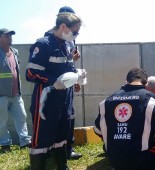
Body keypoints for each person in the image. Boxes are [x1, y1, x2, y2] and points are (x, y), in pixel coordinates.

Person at [94, 68, 155, 170]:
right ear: (145, 84)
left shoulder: (106, 101)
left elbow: (97, 130)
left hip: (115, 159)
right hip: (142, 159)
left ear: (126, 81)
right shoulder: (152, 99)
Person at [26, 12, 82, 169]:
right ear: (63, 27)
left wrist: (75, 78)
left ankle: (61, 166)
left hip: (64, 99)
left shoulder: (68, 44)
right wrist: (52, 81)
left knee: (62, 134)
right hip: (46, 99)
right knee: (42, 137)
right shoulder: (43, 44)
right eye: (75, 31)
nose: (76, 35)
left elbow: (67, 67)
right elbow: (30, 73)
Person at [44, 6, 82, 160]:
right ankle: (51, 151)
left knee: (69, 116)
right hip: (54, 87)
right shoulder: (49, 40)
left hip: (67, 84)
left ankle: (67, 149)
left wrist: (75, 79)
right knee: (55, 119)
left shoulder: (71, 39)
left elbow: (68, 63)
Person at [0, 28, 31, 153]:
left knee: (21, 117)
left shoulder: (15, 52)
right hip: (1, 94)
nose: (10, 38)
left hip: (16, 93)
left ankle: (25, 141)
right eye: (6, 36)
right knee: (1, 121)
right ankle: (5, 143)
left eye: (10, 36)